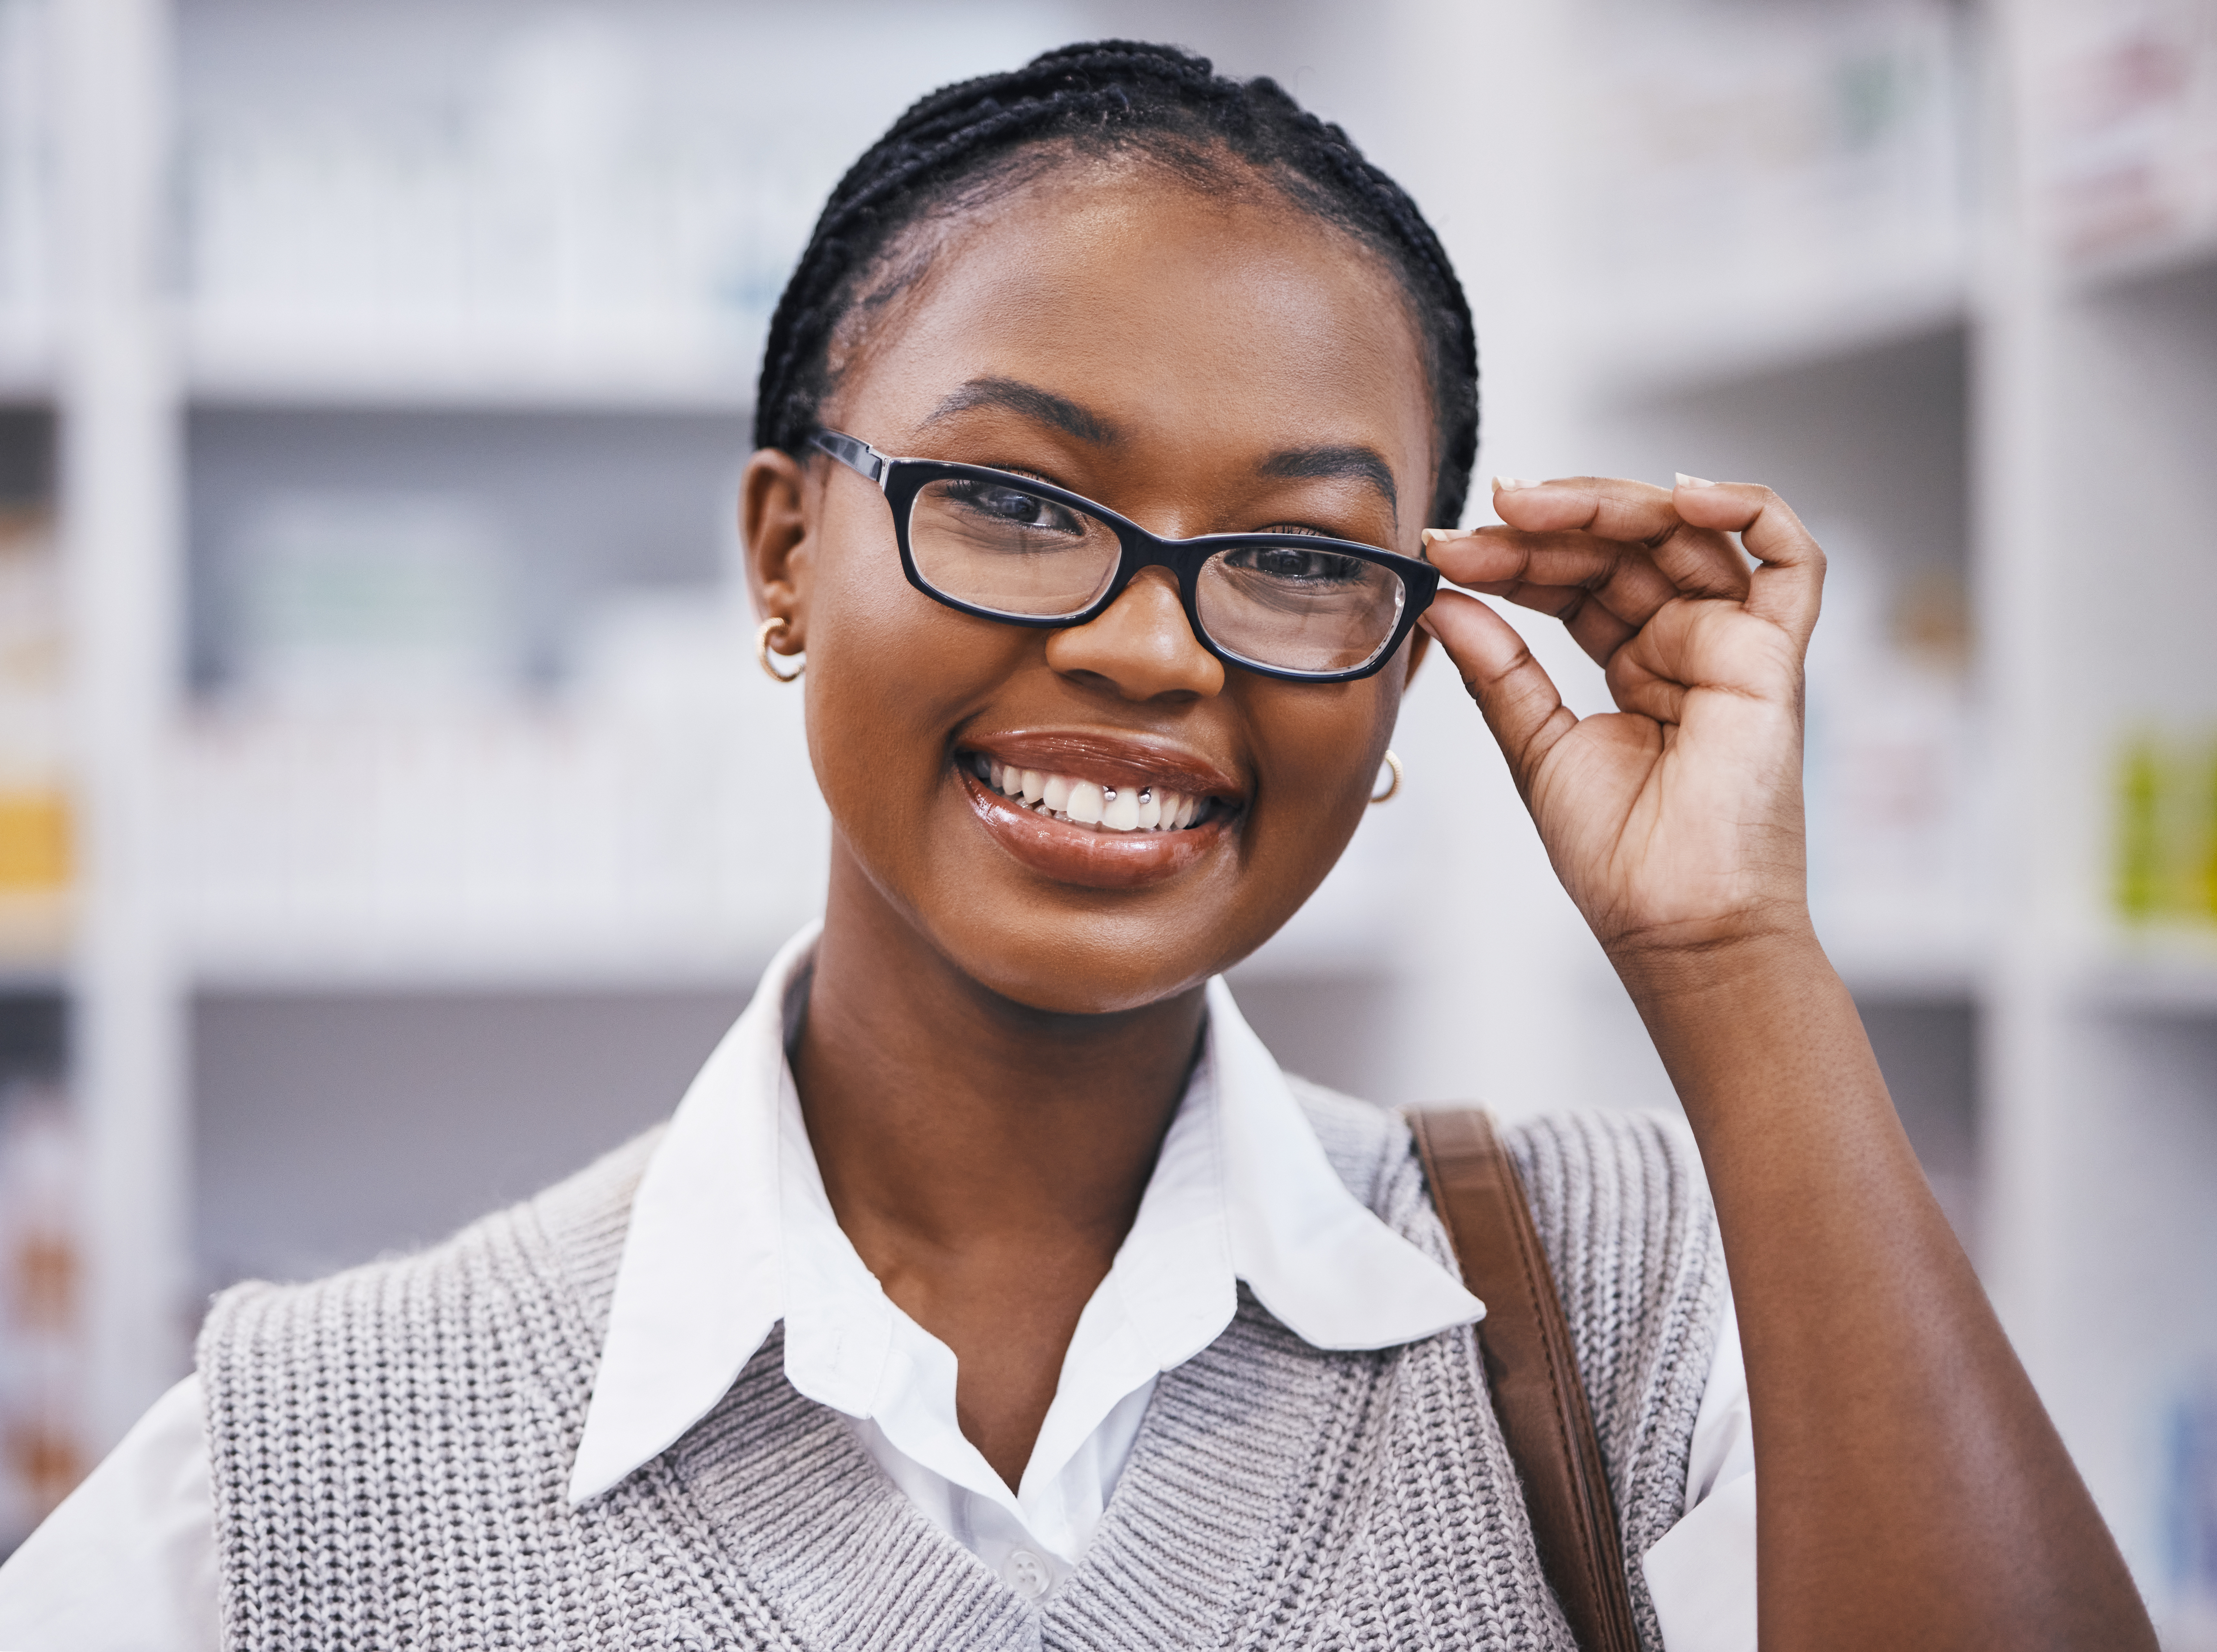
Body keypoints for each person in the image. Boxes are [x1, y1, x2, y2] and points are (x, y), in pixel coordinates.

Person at [0, 40, 2153, 1652]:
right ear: (783, 551)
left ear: (1408, 653)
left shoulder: (1624, 1310)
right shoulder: (317, 1465)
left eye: (1300, 556)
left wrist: (1734, 953)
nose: (1148, 648)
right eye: (1020, 502)